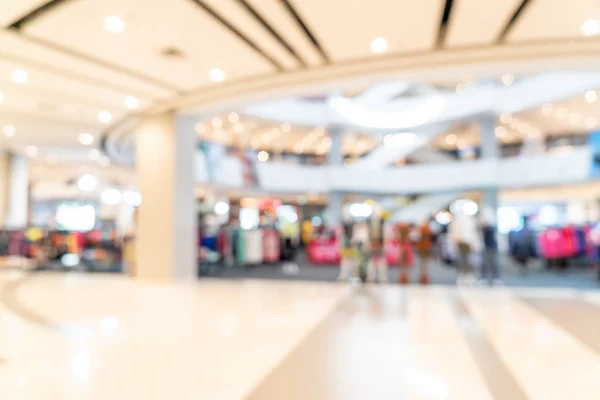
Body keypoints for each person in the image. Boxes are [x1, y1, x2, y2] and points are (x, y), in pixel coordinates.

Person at [448, 208, 481, 284]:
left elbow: (471, 234)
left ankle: (468, 276)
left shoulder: (467, 221)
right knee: (462, 261)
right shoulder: (458, 222)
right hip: (461, 244)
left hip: (466, 244)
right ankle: (463, 276)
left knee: (467, 261)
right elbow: (454, 234)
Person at [479, 207, 501, 285]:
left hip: (491, 246)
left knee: (493, 262)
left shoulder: (491, 228)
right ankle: (484, 278)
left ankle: (495, 278)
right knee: (485, 263)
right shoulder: (482, 228)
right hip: (486, 247)